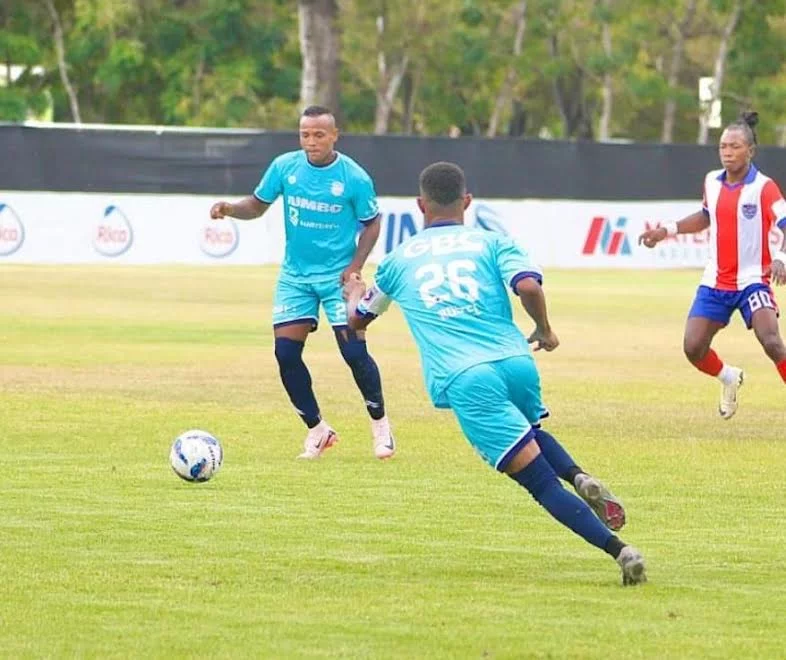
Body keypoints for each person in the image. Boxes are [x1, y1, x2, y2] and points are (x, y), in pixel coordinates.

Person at [344, 161, 646, 586]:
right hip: (515, 361)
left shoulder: (397, 260)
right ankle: (579, 476)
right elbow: (528, 286)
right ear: (467, 201)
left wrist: (355, 291)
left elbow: (357, 320)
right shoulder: (492, 241)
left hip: (466, 376)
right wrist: (544, 329)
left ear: (420, 205)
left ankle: (621, 551)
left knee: (539, 483)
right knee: (530, 432)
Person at [210, 105, 395, 460]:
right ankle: (318, 430)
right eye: (305, 134)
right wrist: (230, 209)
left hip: (338, 278)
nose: (311, 141)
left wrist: (355, 266)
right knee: (285, 354)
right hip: (295, 277)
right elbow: (257, 205)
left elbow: (372, 222)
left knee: (354, 353)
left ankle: (380, 425)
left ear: (335, 135)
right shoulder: (285, 167)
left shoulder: (354, 177)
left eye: (319, 135)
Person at [639, 111, 786, 420]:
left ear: (750, 151)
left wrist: (780, 258)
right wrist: (666, 230)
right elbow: (706, 216)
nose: (727, 152)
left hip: (752, 281)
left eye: (735, 146)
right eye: (723, 146)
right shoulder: (711, 181)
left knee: (772, 342)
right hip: (715, 281)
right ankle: (729, 377)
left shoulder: (764, 187)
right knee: (693, 348)